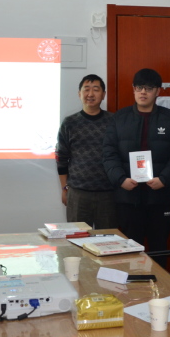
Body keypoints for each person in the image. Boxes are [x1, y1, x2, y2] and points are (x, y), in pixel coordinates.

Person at [102, 68, 170, 264]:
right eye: (139, 87)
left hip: (161, 197)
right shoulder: (119, 118)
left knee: (159, 250)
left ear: (157, 91)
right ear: (133, 89)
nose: (143, 92)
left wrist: (164, 179)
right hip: (128, 198)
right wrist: (120, 179)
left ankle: (161, 285)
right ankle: (133, 285)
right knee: (130, 253)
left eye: (149, 88)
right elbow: (108, 154)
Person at [55, 74, 116, 228]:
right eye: (86, 89)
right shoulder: (69, 123)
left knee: (108, 238)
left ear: (103, 94)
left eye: (96, 89)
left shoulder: (114, 121)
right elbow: (62, 158)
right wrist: (64, 188)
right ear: (79, 93)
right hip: (78, 193)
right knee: (77, 238)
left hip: (108, 194)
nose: (90, 94)